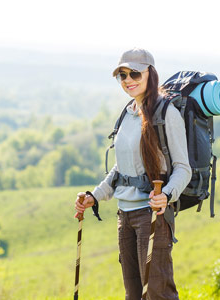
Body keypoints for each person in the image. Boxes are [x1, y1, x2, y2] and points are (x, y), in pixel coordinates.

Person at [74, 48, 191, 300]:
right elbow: (121, 170)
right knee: (134, 294)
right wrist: (94, 196)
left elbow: (183, 168)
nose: (128, 80)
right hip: (124, 216)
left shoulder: (166, 114)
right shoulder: (127, 113)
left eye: (135, 73)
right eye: (122, 75)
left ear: (150, 74)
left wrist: (167, 195)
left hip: (152, 216)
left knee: (158, 295)